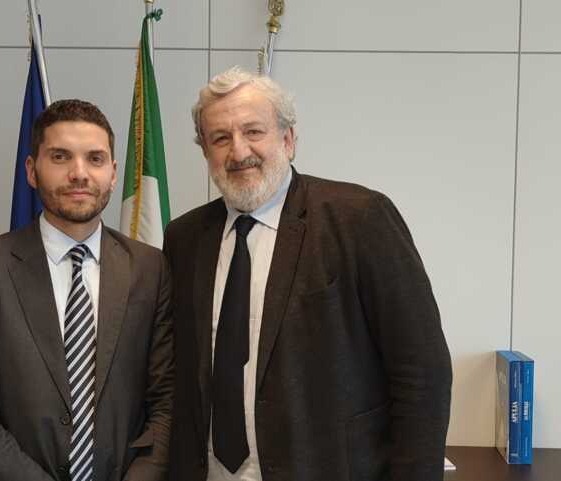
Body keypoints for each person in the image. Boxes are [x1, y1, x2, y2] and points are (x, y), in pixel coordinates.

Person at [165, 66, 452, 481]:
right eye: (220, 138)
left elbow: (421, 371)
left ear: (288, 139)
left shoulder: (359, 218)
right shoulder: (184, 238)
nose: (239, 151)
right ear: (205, 152)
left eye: (253, 131)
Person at [0, 99, 174, 481]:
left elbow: (167, 399)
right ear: (32, 171)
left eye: (95, 159)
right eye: (60, 157)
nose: (79, 173)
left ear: (114, 174)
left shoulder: (150, 269)